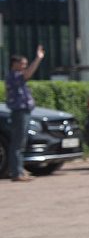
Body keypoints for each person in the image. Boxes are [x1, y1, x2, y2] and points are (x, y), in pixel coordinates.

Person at [6, 45, 45, 182]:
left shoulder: (17, 76)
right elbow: (28, 74)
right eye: (22, 64)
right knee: (17, 143)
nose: (24, 66)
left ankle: (20, 170)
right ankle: (16, 173)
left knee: (21, 143)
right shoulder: (14, 76)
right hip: (19, 112)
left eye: (25, 64)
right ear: (14, 64)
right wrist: (38, 59)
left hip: (25, 111)